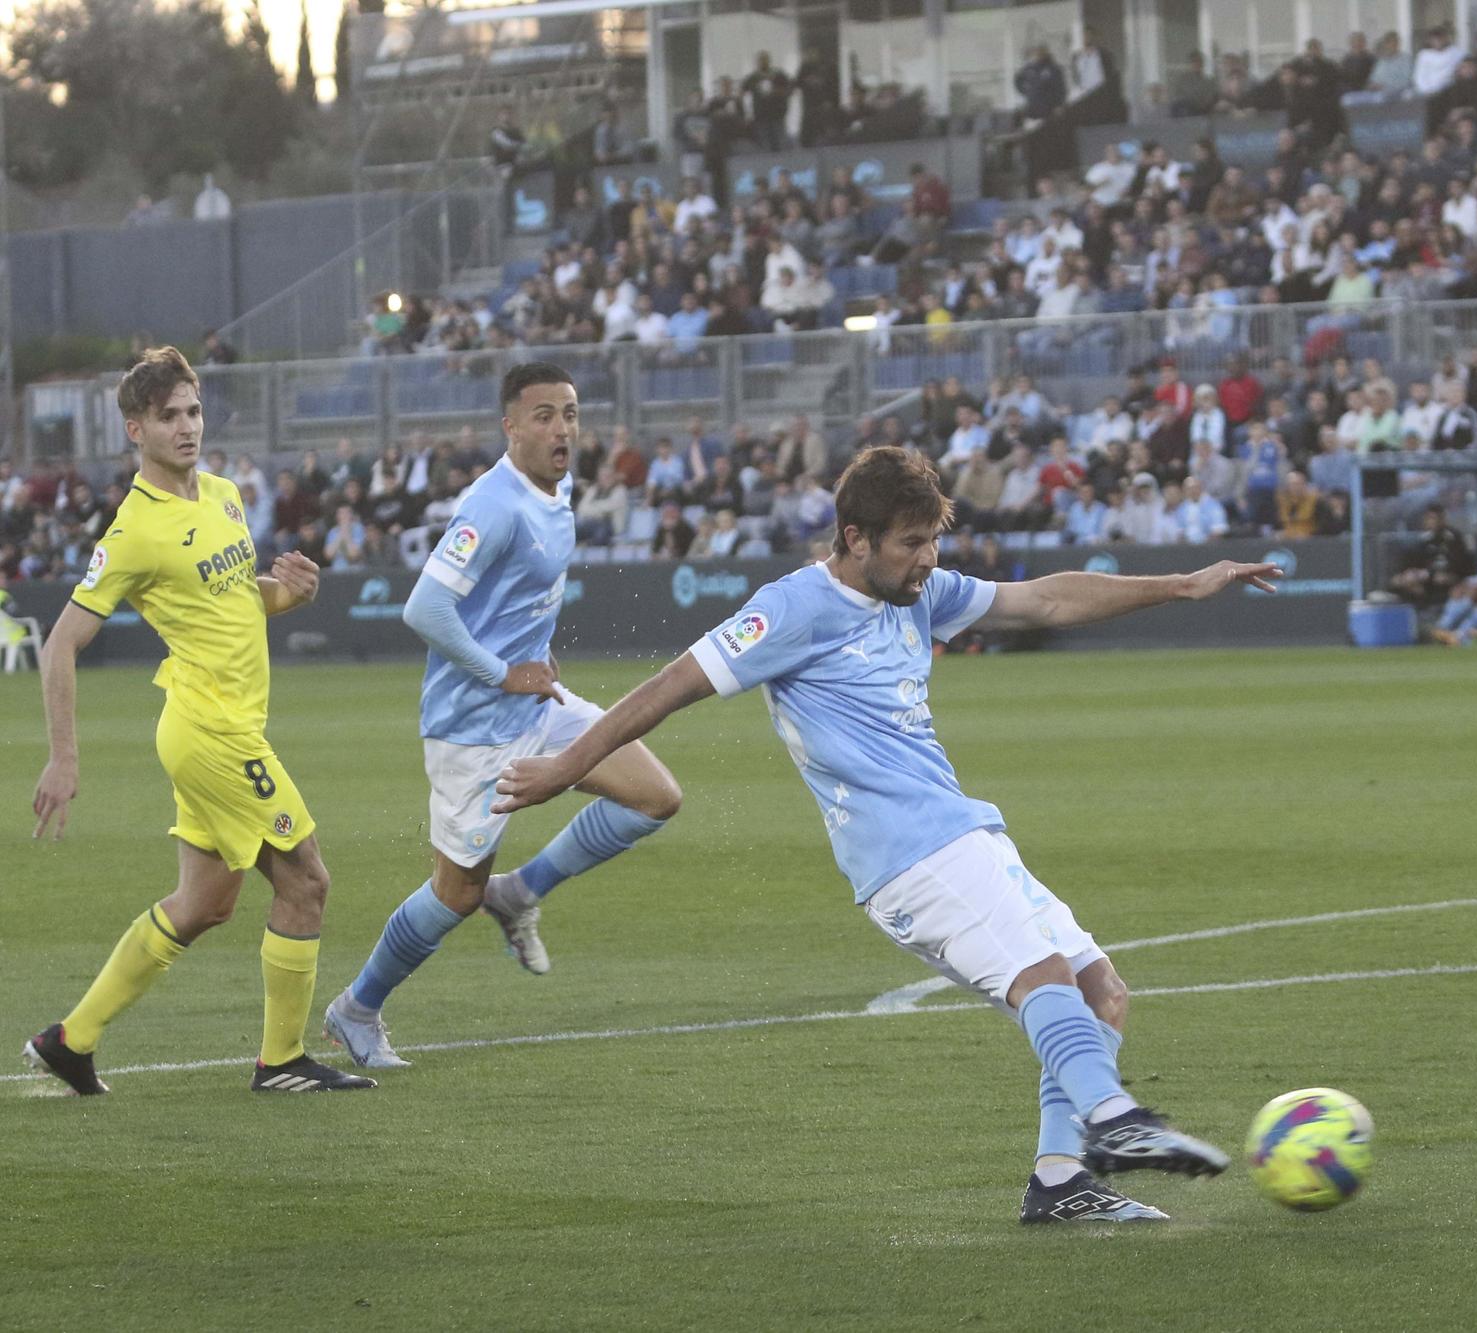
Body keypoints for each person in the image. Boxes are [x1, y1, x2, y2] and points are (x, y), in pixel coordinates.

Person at [493, 447, 1272, 1223]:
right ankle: (1113, 1119)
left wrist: (1181, 584)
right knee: (1044, 977)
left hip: (964, 834)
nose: (927, 560)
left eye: (933, 541)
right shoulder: (795, 607)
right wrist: (567, 765)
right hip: (908, 859)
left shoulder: (916, 593)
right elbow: (670, 686)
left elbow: (1044, 602)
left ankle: (1063, 1181)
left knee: (1101, 990)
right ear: (854, 536)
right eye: (910, 543)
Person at [24, 348, 374, 1095]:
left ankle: (70, 1039)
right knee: (307, 880)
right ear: (135, 429)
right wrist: (63, 756)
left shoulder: (221, 494)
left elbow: (236, 603)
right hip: (211, 729)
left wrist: (289, 593)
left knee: (207, 901)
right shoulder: (133, 531)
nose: (187, 427)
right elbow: (58, 645)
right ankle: (281, 1061)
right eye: (168, 416)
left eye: (193, 410)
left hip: (218, 724)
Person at [322, 365, 683, 1069]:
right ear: (509, 426)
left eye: (570, 414)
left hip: (537, 704)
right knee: (455, 893)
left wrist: (533, 661)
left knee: (655, 796)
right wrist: (502, 670)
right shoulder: (492, 506)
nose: (561, 429)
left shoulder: (559, 486)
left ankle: (520, 891)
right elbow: (424, 608)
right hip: (472, 726)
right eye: (543, 416)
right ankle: (356, 1008)